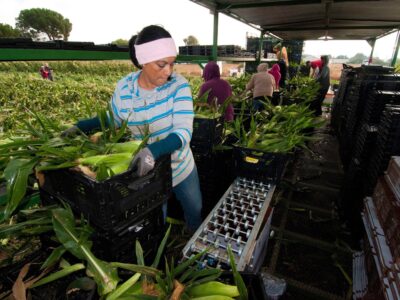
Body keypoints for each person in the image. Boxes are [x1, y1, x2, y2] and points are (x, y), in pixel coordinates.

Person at [62, 25, 202, 231]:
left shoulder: (178, 86)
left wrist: (153, 151)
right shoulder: (125, 88)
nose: (168, 71)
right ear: (142, 61)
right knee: (156, 216)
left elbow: (183, 132)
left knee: (194, 207)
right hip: (147, 172)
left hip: (179, 164)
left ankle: (192, 239)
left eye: (172, 64)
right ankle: (161, 254)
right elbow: (114, 119)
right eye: (161, 64)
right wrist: (80, 127)